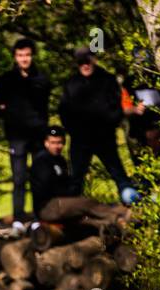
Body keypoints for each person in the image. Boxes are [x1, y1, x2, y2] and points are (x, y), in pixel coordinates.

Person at [58, 47, 141, 205]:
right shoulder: (71, 84)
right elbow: (64, 111)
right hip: (80, 141)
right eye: (81, 62)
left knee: (119, 176)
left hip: (105, 138)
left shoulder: (107, 80)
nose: (85, 65)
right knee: (76, 180)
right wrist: (74, 130)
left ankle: (133, 208)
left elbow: (118, 108)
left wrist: (109, 125)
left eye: (87, 61)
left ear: (93, 60)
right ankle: (73, 214)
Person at [0, 37, 53, 219]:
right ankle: (18, 218)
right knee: (19, 179)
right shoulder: (5, 80)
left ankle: (40, 216)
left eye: (27, 55)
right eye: (20, 55)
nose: (24, 59)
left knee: (40, 179)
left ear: (32, 56)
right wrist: (10, 113)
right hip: (16, 137)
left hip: (37, 136)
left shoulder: (42, 79)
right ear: (15, 57)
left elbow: (42, 102)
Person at [30, 126, 80, 215]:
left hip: (62, 202)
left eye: (59, 143)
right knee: (85, 204)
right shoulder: (42, 161)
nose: (56, 146)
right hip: (47, 207)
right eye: (53, 143)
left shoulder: (61, 160)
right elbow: (45, 189)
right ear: (46, 143)